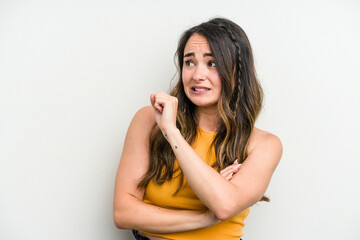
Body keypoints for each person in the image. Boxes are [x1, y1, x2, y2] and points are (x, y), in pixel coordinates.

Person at [113, 17, 282, 240]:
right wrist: (204, 218)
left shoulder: (263, 145)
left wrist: (172, 133)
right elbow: (123, 213)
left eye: (212, 64)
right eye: (189, 62)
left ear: (236, 72)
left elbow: (224, 206)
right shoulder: (149, 120)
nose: (197, 75)